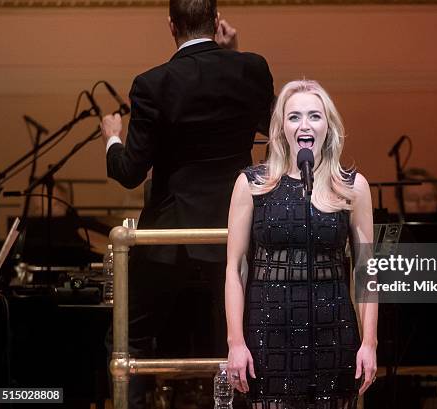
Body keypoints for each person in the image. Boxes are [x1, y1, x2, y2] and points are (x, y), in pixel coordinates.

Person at [99, 0, 274, 407]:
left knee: (130, 337)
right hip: (235, 230)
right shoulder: (251, 67)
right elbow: (273, 126)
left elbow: (128, 172)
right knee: (238, 337)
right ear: (216, 22)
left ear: (170, 25)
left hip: (170, 237)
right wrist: (234, 55)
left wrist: (111, 136)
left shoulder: (152, 83)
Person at [225, 80, 378, 408]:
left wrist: (370, 342)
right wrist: (235, 341)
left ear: (328, 126)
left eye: (314, 116)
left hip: (332, 329)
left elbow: (366, 271)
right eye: (294, 117)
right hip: (269, 329)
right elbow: (236, 268)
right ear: (281, 128)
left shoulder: (353, 187)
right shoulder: (252, 184)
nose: (305, 125)